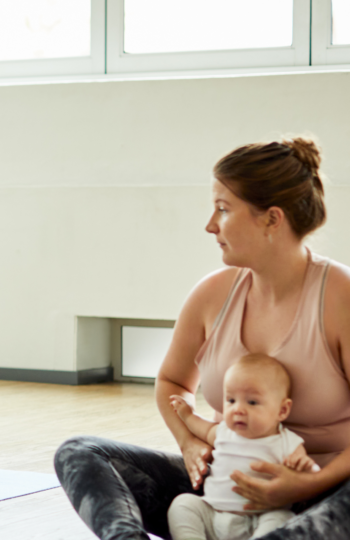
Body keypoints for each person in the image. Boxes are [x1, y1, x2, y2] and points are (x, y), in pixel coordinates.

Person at [55, 136, 350, 539]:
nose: (210, 225)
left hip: (327, 491)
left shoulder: (339, 295)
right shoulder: (211, 294)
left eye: (224, 210)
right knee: (80, 453)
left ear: (272, 219)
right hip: (225, 493)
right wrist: (189, 444)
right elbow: (172, 382)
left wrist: (307, 484)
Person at [167, 354, 317, 540]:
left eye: (252, 402)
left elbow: (308, 472)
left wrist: (304, 467)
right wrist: (188, 415)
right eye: (231, 400)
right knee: (183, 504)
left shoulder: (287, 442)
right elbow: (202, 429)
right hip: (213, 515)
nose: (237, 409)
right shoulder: (223, 432)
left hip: (259, 519)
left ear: (282, 410)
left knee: (282, 518)